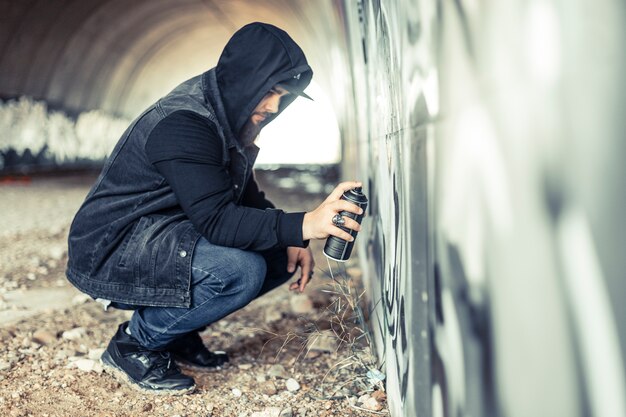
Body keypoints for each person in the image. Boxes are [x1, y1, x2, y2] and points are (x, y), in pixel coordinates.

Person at [65, 22, 363, 395]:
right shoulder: (185, 123)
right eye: (268, 92)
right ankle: (134, 345)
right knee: (239, 270)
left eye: (282, 96)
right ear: (243, 80)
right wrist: (304, 224)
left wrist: (292, 235)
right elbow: (219, 221)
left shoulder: (227, 115)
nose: (273, 107)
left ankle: (176, 333)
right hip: (111, 248)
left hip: (157, 234)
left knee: (275, 254)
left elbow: (241, 193)